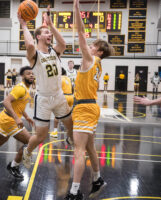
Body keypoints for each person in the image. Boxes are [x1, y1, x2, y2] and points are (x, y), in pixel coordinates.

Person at [65, 1, 114, 199]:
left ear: (98, 51)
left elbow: (80, 33)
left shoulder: (90, 59)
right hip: (90, 107)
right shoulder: (98, 64)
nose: (89, 46)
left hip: (85, 108)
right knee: (90, 147)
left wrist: (76, 9)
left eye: (93, 46)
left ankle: (74, 192)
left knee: (78, 152)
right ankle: (97, 178)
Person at [18, 6, 73, 169]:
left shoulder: (55, 52)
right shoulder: (35, 56)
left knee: (71, 126)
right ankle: (27, 151)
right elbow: (29, 46)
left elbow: (63, 43)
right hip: (43, 99)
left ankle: (69, 139)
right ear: (38, 37)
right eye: (46, 32)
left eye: (50, 33)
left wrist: (51, 24)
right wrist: (23, 25)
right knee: (41, 136)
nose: (50, 35)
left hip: (59, 96)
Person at [50, 69, 73, 138]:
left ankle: (55, 132)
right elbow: (72, 88)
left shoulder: (59, 79)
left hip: (64, 97)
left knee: (57, 115)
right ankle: (71, 132)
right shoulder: (68, 78)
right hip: (71, 97)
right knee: (68, 116)